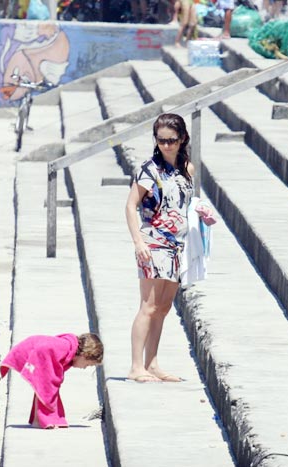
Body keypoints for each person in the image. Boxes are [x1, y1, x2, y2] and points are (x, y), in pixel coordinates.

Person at [125, 113, 195, 383]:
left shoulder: (187, 168)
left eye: (171, 140)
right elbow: (131, 205)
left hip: (178, 244)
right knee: (148, 305)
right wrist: (138, 241)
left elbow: (185, 204)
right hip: (153, 242)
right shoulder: (149, 170)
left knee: (164, 307)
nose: (166, 145)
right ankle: (135, 366)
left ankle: (152, 363)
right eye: (161, 140)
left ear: (182, 139)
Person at [0, 332, 103, 429]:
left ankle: (39, 419)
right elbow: (46, 353)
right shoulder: (64, 347)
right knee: (46, 385)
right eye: (88, 364)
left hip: (35, 349)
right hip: (31, 351)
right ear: (84, 355)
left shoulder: (68, 349)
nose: (85, 367)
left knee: (44, 385)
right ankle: (41, 420)